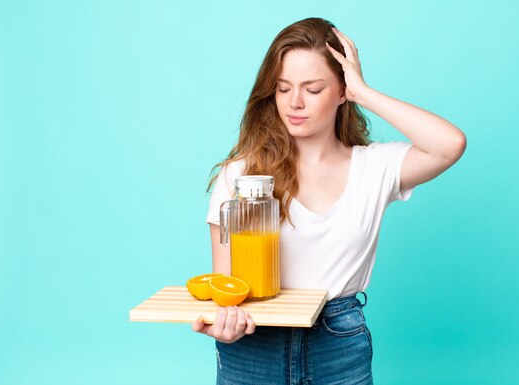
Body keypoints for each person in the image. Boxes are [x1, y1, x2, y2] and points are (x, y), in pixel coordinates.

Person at [192, 17, 466, 384]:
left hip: (337, 343)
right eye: (283, 88)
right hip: (254, 345)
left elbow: (450, 145)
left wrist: (364, 92)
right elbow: (226, 284)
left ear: (341, 92)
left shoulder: (375, 167)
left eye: (313, 88)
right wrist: (224, 323)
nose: (295, 102)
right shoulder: (243, 177)